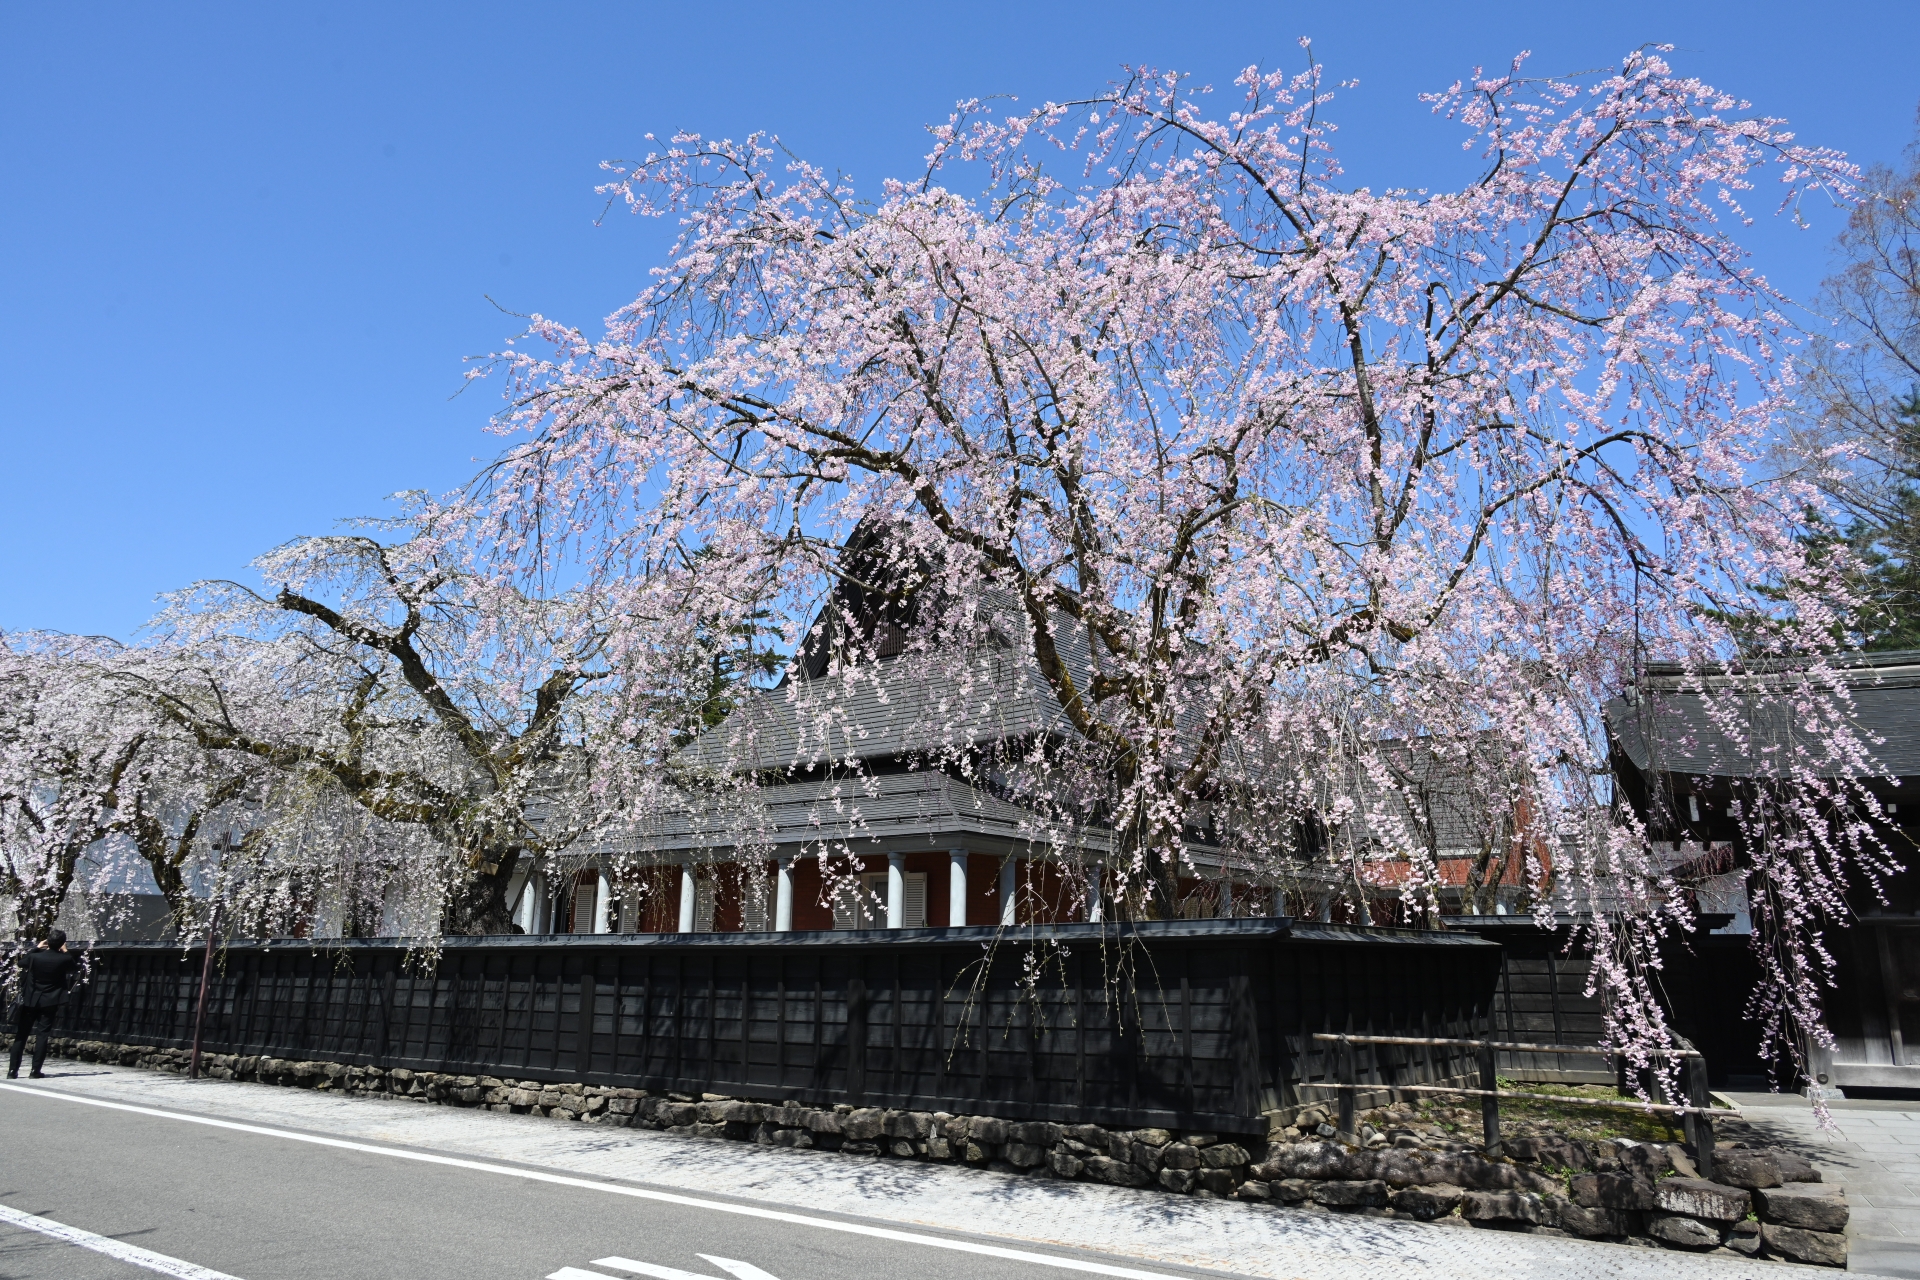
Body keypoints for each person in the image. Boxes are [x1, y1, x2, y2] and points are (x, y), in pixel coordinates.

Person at [10, 930, 78, 1079]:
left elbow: (21, 963)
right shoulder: (63, 959)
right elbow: (74, 967)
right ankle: (35, 1071)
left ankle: (12, 1071)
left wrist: (36, 948)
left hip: (30, 1000)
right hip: (50, 1001)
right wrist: (66, 952)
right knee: (42, 1036)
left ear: (47, 941)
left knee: (21, 1035)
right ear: (62, 944)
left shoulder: (35, 957)